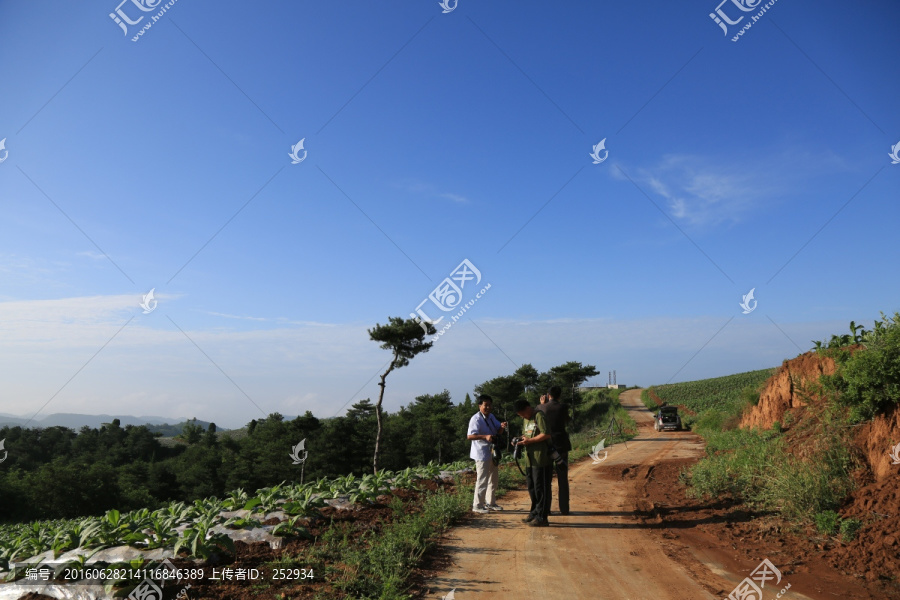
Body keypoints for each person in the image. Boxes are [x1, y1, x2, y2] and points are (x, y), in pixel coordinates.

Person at [513, 399, 552, 527]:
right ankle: (534, 512)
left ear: (528, 408)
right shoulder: (526, 420)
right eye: (520, 415)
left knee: (541, 488)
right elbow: (526, 434)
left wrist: (531, 441)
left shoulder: (539, 416)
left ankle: (542, 517)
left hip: (541, 458)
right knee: (532, 487)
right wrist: (520, 440)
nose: (522, 416)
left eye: (523, 413)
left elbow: (546, 434)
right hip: (529, 459)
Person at [466, 395, 507, 514]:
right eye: (485, 405)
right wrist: (485, 436)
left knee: (493, 479)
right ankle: (477, 505)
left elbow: (498, 431)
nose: (488, 407)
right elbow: (470, 436)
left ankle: (491, 502)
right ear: (480, 406)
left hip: (492, 452)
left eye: (489, 405)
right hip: (481, 453)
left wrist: (502, 427)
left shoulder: (491, 417)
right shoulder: (476, 419)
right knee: (482, 479)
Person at [535, 385, 571, 515]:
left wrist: (542, 404)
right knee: (563, 478)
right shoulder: (563, 407)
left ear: (548, 395)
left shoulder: (541, 408)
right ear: (559, 396)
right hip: (561, 446)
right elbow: (567, 420)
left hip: (546, 446)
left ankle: (547, 509)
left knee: (546, 479)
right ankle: (564, 509)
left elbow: (537, 422)